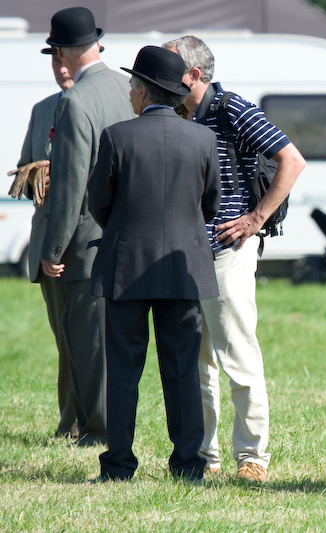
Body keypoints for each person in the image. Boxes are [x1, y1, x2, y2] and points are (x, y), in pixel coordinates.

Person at [161, 35, 306, 482]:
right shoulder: (177, 112)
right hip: (187, 253)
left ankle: (252, 458)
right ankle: (206, 455)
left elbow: (292, 160)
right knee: (198, 361)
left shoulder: (232, 108)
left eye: (169, 68)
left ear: (194, 74)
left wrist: (256, 218)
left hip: (228, 252)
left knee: (237, 355)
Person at [88, 46, 221, 482]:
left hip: (126, 265)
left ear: (144, 91)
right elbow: (210, 205)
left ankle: (118, 466)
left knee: (123, 370)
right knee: (183, 370)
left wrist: (126, 228)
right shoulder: (202, 138)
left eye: (132, 85)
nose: (129, 93)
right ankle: (188, 466)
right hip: (183, 268)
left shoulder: (118, 137)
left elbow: (100, 204)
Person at [39, 6, 135, 446]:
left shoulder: (75, 99)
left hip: (87, 240)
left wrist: (52, 248)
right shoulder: (127, 87)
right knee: (121, 343)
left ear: (60, 51)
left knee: (89, 345)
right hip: (131, 233)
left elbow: (70, 184)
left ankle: (98, 432)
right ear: (95, 43)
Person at [8, 46, 77, 438]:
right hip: (48, 237)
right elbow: (23, 174)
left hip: (86, 239)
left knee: (89, 344)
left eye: (66, 59)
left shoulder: (105, 100)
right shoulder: (42, 108)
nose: (61, 68)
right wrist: (37, 175)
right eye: (54, 60)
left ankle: (91, 424)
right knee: (63, 340)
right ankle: (70, 422)